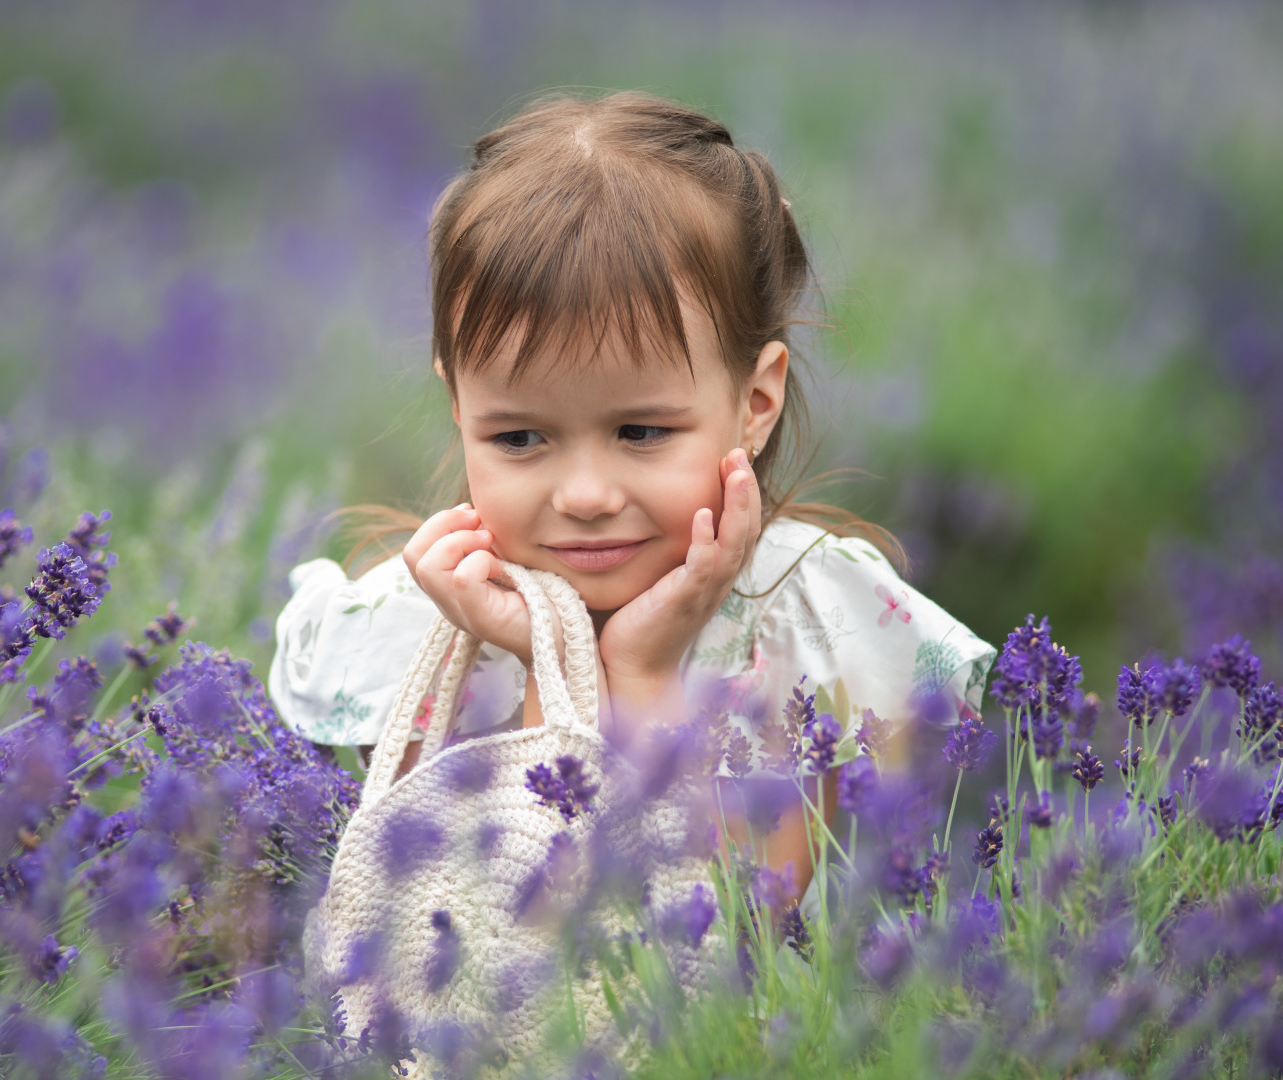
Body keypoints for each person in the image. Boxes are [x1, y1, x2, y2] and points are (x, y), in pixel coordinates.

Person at [269, 90, 994, 903]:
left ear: (755, 404)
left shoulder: (805, 624)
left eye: (641, 433)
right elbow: (456, 910)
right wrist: (539, 661)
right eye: (517, 438)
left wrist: (642, 678)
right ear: (459, 409)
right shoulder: (432, 623)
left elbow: (741, 924)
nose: (583, 494)